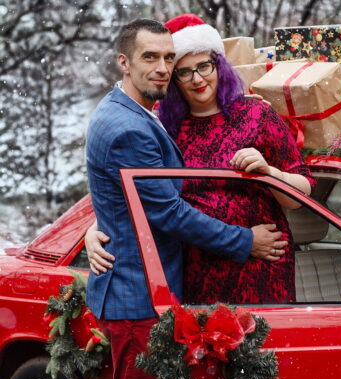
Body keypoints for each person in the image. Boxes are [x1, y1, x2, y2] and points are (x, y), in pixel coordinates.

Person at [85, 18, 287, 379]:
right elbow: (168, 212)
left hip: (152, 291)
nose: (162, 67)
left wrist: (96, 224)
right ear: (124, 62)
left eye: (167, 58)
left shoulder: (136, 112)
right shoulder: (129, 127)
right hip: (139, 296)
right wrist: (247, 241)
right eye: (150, 57)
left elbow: (120, 196)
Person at [88, 13, 316, 306]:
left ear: (219, 65)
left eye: (204, 66)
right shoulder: (165, 128)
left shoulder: (257, 115)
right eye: (184, 72)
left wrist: (271, 173)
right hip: (195, 270)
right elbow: (136, 191)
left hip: (260, 262)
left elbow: (302, 194)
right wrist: (95, 229)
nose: (197, 79)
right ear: (173, 80)